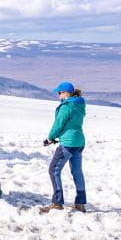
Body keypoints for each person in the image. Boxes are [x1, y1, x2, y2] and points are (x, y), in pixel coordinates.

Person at [41, 82, 87, 213]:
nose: (58, 95)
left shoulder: (66, 106)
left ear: (66, 93)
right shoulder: (79, 104)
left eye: (60, 92)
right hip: (79, 142)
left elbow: (59, 124)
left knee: (53, 170)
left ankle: (57, 202)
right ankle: (80, 202)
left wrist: (50, 138)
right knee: (77, 172)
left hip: (68, 142)